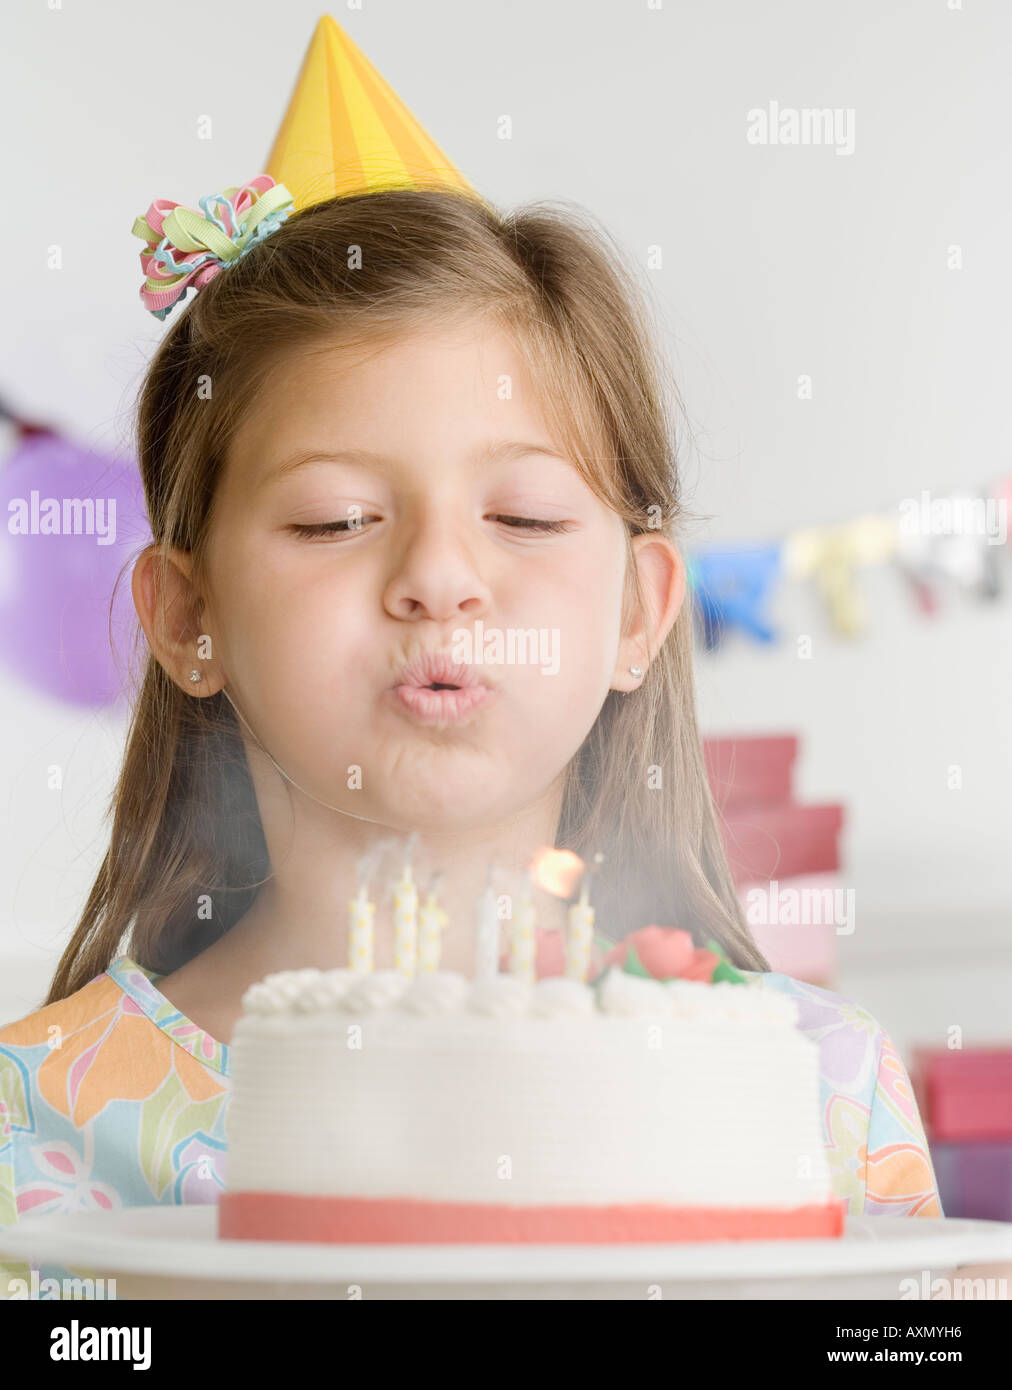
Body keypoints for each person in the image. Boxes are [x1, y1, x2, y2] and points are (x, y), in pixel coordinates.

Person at [0, 184, 940, 1295]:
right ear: (188, 618)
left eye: (526, 518)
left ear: (636, 615)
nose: (440, 580)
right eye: (335, 520)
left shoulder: (815, 1085)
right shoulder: (35, 1122)